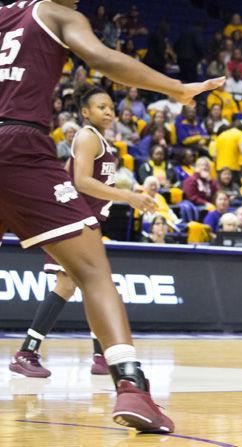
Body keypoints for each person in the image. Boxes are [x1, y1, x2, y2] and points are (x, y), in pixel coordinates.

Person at [0, 0, 224, 433]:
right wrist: (175, 88)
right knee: (93, 272)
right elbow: (103, 58)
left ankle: (33, 350)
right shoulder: (53, 13)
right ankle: (132, 387)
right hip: (19, 144)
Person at [11, 84, 156, 378]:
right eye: (101, 107)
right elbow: (82, 182)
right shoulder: (88, 136)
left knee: (93, 284)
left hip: (84, 220)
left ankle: (100, 356)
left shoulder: (96, 140)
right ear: (85, 112)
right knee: (70, 285)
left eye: (111, 108)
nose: (108, 112)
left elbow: (66, 175)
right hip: (71, 222)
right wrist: (129, 196)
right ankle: (27, 352)